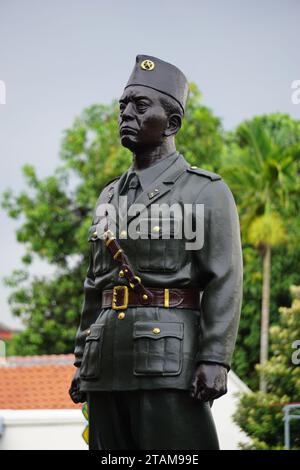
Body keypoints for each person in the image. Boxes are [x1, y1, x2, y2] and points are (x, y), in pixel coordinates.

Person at [69, 55, 243, 450]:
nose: (126, 113)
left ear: (172, 123)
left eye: (140, 105)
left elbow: (225, 279)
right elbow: (95, 285)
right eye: (123, 105)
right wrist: (82, 360)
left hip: (168, 363)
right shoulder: (109, 194)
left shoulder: (205, 191)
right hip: (105, 363)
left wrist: (215, 359)